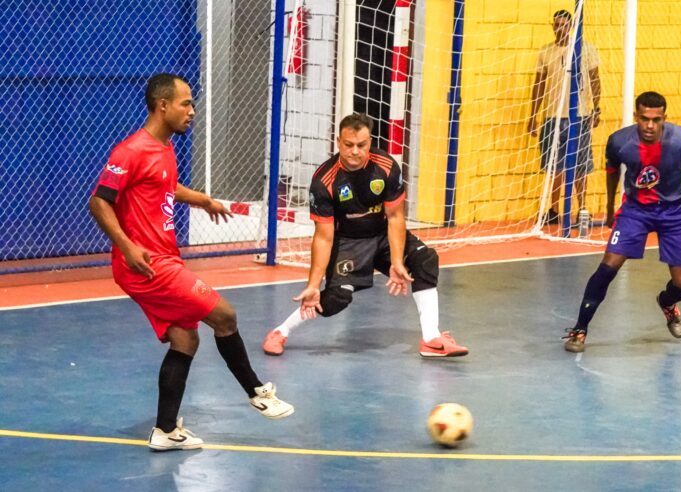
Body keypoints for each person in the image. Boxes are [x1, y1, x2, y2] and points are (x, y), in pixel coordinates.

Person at [89, 73, 294, 451]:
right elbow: (99, 201)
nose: (192, 111)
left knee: (185, 339)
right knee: (225, 316)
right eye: (186, 103)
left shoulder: (164, 148)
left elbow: (163, 186)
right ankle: (257, 391)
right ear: (162, 105)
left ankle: (165, 431)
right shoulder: (130, 151)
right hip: (146, 264)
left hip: (163, 258)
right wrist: (129, 246)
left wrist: (202, 199)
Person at [262, 114, 468, 358]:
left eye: (362, 145)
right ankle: (281, 331)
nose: (355, 152)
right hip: (348, 242)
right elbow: (324, 238)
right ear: (338, 142)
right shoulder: (324, 181)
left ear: (370, 142)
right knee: (337, 297)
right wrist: (313, 284)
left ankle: (431, 339)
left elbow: (395, 217)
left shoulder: (386, 167)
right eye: (349, 145)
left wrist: (397, 261)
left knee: (425, 260)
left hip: (381, 233)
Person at [563, 91, 681, 353]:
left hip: (674, 213)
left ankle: (667, 302)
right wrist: (608, 209)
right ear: (635, 116)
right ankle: (580, 329)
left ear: (664, 118)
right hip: (635, 211)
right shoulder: (619, 142)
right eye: (644, 119)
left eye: (656, 119)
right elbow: (612, 171)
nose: (650, 125)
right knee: (607, 267)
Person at [527, 9, 602, 225]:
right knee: (555, 165)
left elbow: (595, 80)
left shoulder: (586, 49)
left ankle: (582, 210)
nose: (559, 29)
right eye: (556, 25)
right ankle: (553, 209)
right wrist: (533, 115)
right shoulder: (546, 52)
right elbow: (539, 85)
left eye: (563, 25)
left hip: (580, 116)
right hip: (553, 117)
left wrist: (596, 108)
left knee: (580, 165)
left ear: (571, 27)